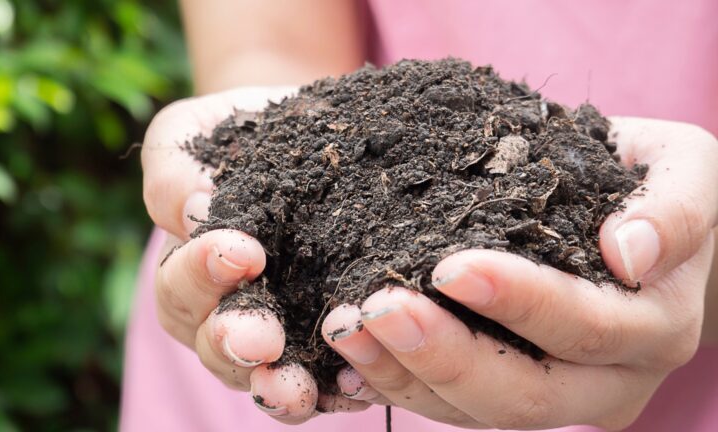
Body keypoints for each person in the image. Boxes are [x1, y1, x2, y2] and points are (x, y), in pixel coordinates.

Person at [121, 1, 718, 430]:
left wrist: (679, 256)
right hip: (253, 368)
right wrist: (250, 146)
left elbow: (665, 243)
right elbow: (266, 43)